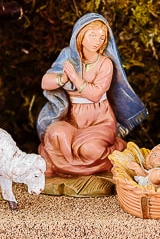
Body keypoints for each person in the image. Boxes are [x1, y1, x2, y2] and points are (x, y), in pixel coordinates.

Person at [37, 13, 147, 177]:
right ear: (80, 35)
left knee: (90, 150)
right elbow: (45, 82)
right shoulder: (68, 55)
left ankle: (116, 151)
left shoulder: (105, 63)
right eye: (93, 35)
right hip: (72, 119)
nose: (98, 40)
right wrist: (62, 78)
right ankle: (61, 167)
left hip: (98, 120)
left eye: (102, 37)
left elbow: (95, 95)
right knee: (55, 134)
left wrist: (74, 77)